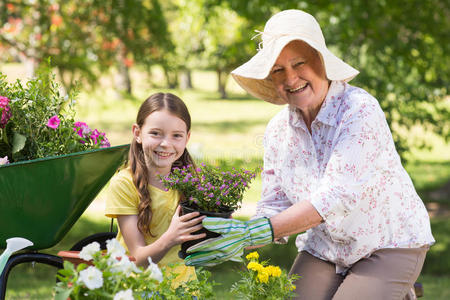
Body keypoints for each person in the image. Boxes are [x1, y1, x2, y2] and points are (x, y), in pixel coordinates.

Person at [184, 9, 435, 299]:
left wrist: (258, 232)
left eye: (298, 63)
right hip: (325, 246)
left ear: (321, 62)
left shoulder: (359, 110)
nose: (291, 79)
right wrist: (234, 235)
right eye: (278, 70)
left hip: (388, 241)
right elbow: (275, 203)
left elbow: (336, 195)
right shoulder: (278, 130)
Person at [105, 92, 206, 286]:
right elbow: (138, 259)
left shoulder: (190, 182)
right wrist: (171, 237)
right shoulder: (125, 183)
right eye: (155, 133)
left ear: (187, 138)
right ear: (137, 133)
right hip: (139, 288)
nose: (165, 143)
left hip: (185, 290)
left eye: (176, 136)